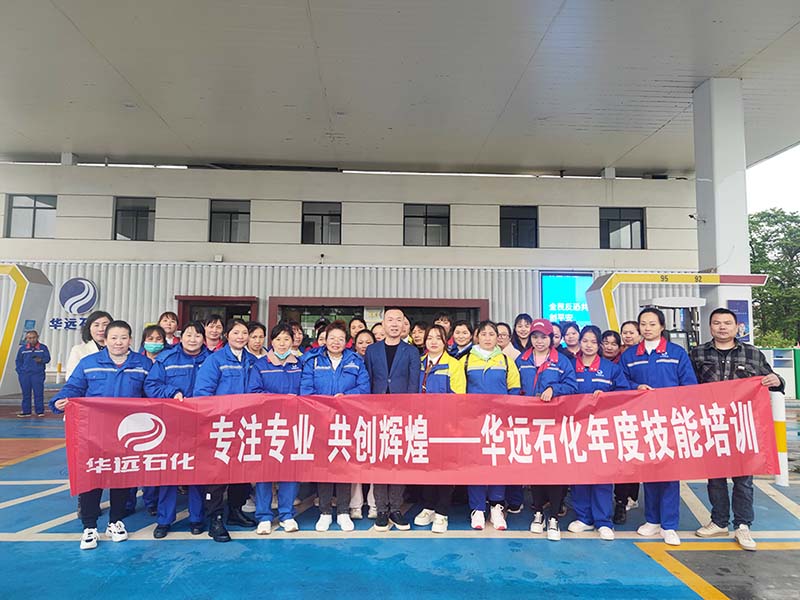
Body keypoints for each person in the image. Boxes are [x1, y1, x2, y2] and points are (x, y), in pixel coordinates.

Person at [50, 320, 151, 550]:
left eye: (123, 337)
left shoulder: (143, 364)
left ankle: (115, 522)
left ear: (130, 340)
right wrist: (59, 400)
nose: (118, 342)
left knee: (121, 478)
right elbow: (73, 388)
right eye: (114, 338)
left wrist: (173, 396)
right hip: (93, 432)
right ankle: (89, 526)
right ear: (105, 340)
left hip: (127, 433)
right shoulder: (89, 363)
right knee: (92, 477)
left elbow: (153, 390)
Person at [690, 307, 785, 551]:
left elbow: (773, 379)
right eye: (717, 323)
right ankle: (719, 521)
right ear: (710, 327)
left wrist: (777, 380)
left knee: (743, 479)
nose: (722, 327)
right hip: (711, 426)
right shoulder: (698, 353)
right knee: (715, 478)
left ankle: (743, 525)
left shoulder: (752, 353)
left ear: (736, 327)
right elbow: (687, 386)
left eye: (727, 323)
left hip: (743, 426)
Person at [621, 307, 697, 547]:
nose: (647, 328)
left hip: (670, 421)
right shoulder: (630, 355)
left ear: (662, 327)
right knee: (649, 472)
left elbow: (689, 386)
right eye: (643, 324)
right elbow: (621, 382)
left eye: (652, 324)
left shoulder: (676, 353)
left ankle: (669, 525)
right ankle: (652, 520)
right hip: (643, 422)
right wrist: (636, 387)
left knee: (670, 474)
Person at [300, 321, 370, 532]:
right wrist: (323, 403)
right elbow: (305, 389)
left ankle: (343, 512)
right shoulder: (312, 361)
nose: (336, 342)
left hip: (347, 420)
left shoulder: (355, 361)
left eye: (340, 339)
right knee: (324, 466)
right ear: (324, 340)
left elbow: (364, 388)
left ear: (346, 341)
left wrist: (346, 397)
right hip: (321, 419)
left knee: (343, 465)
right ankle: (324, 512)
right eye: (332, 338)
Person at [144, 321, 210, 538]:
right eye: (189, 335)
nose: (193, 339)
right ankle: (164, 520)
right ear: (181, 338)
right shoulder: (167, 359)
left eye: (197, 335)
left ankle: (197, 518)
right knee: (170, 471)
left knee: (198, 473)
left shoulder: (212, 360)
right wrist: (171, 392)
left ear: (203, 339)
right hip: (172, 424)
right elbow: (151, 385)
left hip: (201, 424)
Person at [194, 318, 258, 542]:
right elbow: (203, 393)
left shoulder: (252, 361)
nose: (241, 337)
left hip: (245, 425)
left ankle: (235, 510)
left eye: (244, 333)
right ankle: (216, 518)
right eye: (236, 332)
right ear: (227, 335)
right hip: (220, 425)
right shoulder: (215, 360)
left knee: (242, 471)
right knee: (218, 473)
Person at [567, 326, 630, 542]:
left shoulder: (610, 368)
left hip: (603, 429)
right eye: (585, 341)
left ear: (600, 345)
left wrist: (606, 396)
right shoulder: (569, 365)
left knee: (602, 475)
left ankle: (603, 521)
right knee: (580, 474)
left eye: (593, 342)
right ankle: (584, 518)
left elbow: (624, 392)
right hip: (575, 429)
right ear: (579, 342)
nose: (589, 345)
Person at [516, 318, 577, 540]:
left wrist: (554, 388)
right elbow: (513, 386)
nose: (539, 341)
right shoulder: (521, 360)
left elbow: (572, 386)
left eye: (543, 337)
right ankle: (538, 512)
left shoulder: (561, 361)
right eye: (535, 337)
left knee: (554, 470)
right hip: (529, 424)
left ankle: (554, 517)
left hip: (554, 424)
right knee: (535, 469)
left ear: (551, 339)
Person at [364, 308, 421, 531]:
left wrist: (409, 410)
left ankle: (396, 508)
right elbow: (368, 380)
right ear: (383, 324)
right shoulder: (372, 350)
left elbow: (413, 383)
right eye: (390, 320)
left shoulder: (411, 351)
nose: (394, 324)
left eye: (399, 320)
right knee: (379, 459)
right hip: (376, 413)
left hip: (402, 412)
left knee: (398, 459)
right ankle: (381, 509)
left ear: (404, 324)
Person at [462, 320, 521, 532]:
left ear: (498, 338)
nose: (488, 338)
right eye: (484, 334)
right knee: (475, 464)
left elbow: (515, 388)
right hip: (474, 422)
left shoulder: (505, 360)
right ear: (477, 336)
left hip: (499, 422)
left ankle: (496, 507)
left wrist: (505, 410)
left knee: (498, 463)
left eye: (492, 334)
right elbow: (459, 391)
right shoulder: (466, 360)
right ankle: (477, 508)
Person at [248, 323, 303, 535]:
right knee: (265, 470)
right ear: (271, 341)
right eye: (278, 339)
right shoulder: (261, 365)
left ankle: (287, 514)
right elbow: (254, 392)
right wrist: (280, 400)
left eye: (286, 339)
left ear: (292, 341)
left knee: (290, 469)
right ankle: (264, 516)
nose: (282, 344)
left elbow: (306, 391)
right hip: (267, 424)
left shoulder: (299, 364)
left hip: (293, 424)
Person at [413, 324, 466, 534]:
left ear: (445, 342)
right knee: (427, 466)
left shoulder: (453, 364)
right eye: (430, 338)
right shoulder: (418, 363)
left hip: (446, 424)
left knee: (445, 467)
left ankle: (442, 512)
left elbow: (459, 396)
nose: (433, 341)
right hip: (422, 424)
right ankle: (428, 507)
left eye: (438, 337)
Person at [137, 324, 167, 515]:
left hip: (164, 416)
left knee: (159, 462)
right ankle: (142, 501)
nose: (154, 342)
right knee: (141, 461)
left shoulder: (168, 360)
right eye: (150, 339)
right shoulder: (138, 361)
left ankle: (155, 501)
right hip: (140, 418)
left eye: (158, 339)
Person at [349, 328, 378, 520]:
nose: (364, 346)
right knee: (355, 459)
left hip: (376, 415)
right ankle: (355, 504)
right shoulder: (350, 361)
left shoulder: (379, 359)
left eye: (369, 342)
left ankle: (374, 503)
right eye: (360, 342)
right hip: (354, 414)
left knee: (376, 459)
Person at [65, 310, 112, 379]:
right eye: (96, 325)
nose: (101, 329)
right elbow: (71, 377)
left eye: (105, 325)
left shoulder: (121, 350)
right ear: (89, 328)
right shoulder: (79, 350)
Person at [15, 330, 50, 417]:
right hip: (25, 375)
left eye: (33, 337)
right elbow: (18, 361)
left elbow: (48, 358)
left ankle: (40, 411)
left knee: (38, 393)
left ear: (37, 337)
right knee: (26, 393)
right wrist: (20, 371)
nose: (32, 340)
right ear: (26, 339)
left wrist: (41, 360)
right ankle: (26, 411)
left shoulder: (43, 348)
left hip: (38, 374)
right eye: (29, 338)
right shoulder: (22, 349)